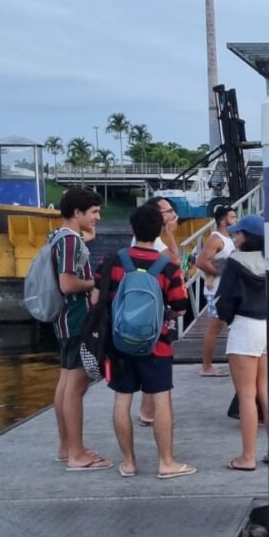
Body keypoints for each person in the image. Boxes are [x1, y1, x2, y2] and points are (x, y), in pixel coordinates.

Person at [99, 204, 195, 479]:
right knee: (161, 399)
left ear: (132, 229)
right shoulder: (167, 266)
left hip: (119, 344)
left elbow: (97, 298)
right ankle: (166, 463)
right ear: (159, 231)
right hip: (157, 344)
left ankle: (129, 463)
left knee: (122, 399)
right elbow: (180, 307)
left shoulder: (113, 260)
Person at [53, 187, 112, 470]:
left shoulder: (59, 236)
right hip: (76, 319)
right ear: (77, 212)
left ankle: (67, 447)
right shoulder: (69, 243)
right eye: (93, 212)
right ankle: (77, 454)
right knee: (76, 387)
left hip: (64, 321)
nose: (98, 217)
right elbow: (67, 284)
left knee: (66, 382)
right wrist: (97, 283)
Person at [215, 215, 268, 471]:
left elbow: (224, 300)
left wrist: (227, 317)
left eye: (237, 234)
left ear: (247, 237)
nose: (234, 237)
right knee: (265, 390)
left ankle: (247, 457)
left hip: (245, 327)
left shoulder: (235, 262)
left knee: (247, 396)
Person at [136, 197, 180, 426]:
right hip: (155, 314)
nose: (173, 214)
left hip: (141, 312)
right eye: (168, 211)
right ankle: (149, 410)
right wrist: (171, 233)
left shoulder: (138, 242)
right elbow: (174, 261)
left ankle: (147, 409)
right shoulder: (155, 242)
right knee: (156, 364)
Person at [195, 206, 237, 376]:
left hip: (226, 290)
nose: (236, 220)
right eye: (233, 217)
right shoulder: (216, 238)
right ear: (223, 221)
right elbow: (200, 261)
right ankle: (206, 367)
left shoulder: (229, 238)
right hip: (216, 291)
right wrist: (221, 274)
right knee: (214, 328)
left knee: (230, 327)